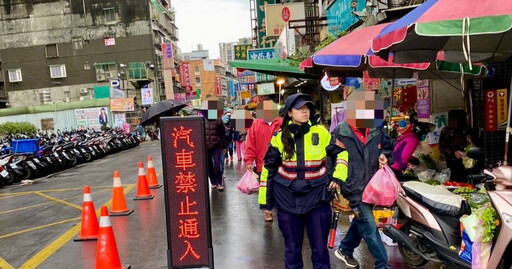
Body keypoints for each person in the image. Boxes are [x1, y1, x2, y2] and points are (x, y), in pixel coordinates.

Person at [259, 93, 342, 269]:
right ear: (289, 113)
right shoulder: (279, 137)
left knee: (320, 251)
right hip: (287, 201)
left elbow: (341, 153)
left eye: (307, 108)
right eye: (300, 109)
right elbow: (268, 169)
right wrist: (265, 202)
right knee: (292, 250)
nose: (305, 112)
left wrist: (337, 177)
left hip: (317, 200)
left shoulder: (321, 132)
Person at [329, 90, 394, 269]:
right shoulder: (339, 132)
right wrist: (335, 181)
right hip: (353, 187)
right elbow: (331, 158)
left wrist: (385, 156)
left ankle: (345, 249)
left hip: (373, 186)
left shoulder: (377, 129)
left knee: (361, 221)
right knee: (369, 225)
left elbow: (388, 147)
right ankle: (382, 265)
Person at [245, 100, 283, 221]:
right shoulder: (256, 125)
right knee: (266, 188)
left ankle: (282, 207)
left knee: (281, 187)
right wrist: (249, 161)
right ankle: (267, 210)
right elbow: (251, 144)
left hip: (281, 163)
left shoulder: (282, 123)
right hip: (263, 163)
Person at [201, 101, 227, 191]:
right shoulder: (202, 120)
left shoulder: (218, 120)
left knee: (217, 164)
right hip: (206, 147)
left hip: (216, 146)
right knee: (209, 166)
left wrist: (224, 147)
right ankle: (213, 182)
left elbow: (223, 134)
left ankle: (219, 183)